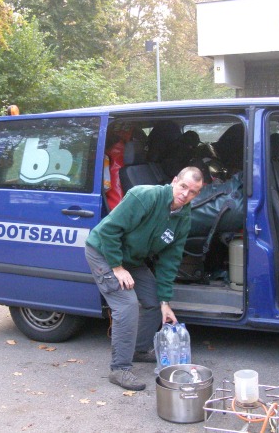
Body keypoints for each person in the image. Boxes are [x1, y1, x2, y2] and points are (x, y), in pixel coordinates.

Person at [84, 167, 204, 390]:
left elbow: (171, 260)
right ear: (174, 181)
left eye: (193, 192)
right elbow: (109, 231)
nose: (185, 194)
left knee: (153, 302)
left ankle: (139, 349)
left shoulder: (183, 217)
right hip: (104, 252)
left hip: (131, 259)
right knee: (126, 305)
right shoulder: (145, 196)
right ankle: (119, 369)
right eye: (183, 186)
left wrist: (165, 302)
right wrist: (117, 267)